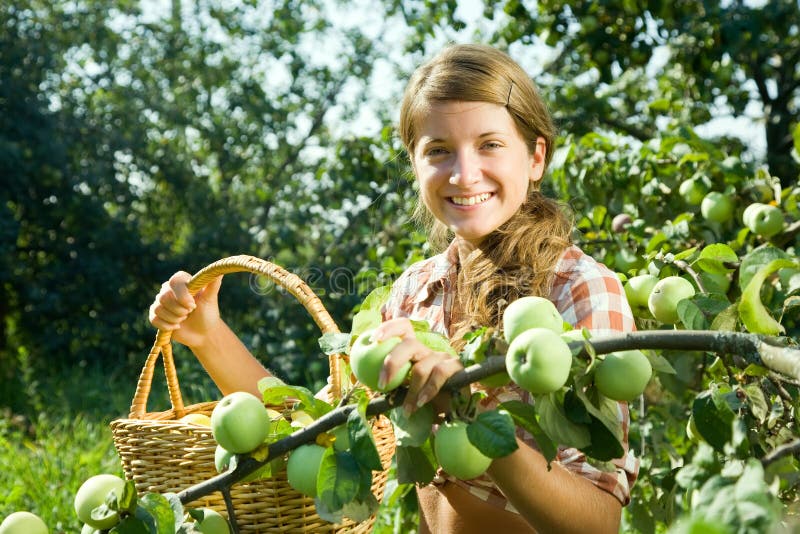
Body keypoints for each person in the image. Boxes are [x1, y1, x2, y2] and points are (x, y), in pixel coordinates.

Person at [149, 43, 638, 533]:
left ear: (535, 158)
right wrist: (209, 336)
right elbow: (316, 431)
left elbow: (596, 524)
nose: (464, 173)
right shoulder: (416, 293)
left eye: (490, 144)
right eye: (438, 150)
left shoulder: (580, 290)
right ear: (415, 164)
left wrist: (469, 408)